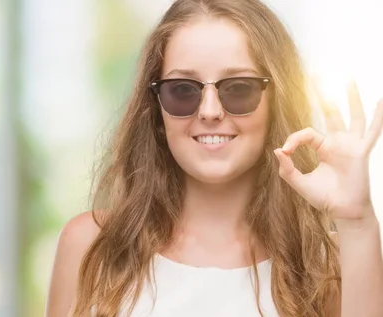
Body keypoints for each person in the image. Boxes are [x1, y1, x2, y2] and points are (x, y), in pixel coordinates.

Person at [45, 0, 383, 316]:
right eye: (183, 90)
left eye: (238, 88)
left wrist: (356, 220)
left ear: (276, 103)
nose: (209, 111)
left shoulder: (326, 264)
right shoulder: (91, 245)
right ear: (156, 110)